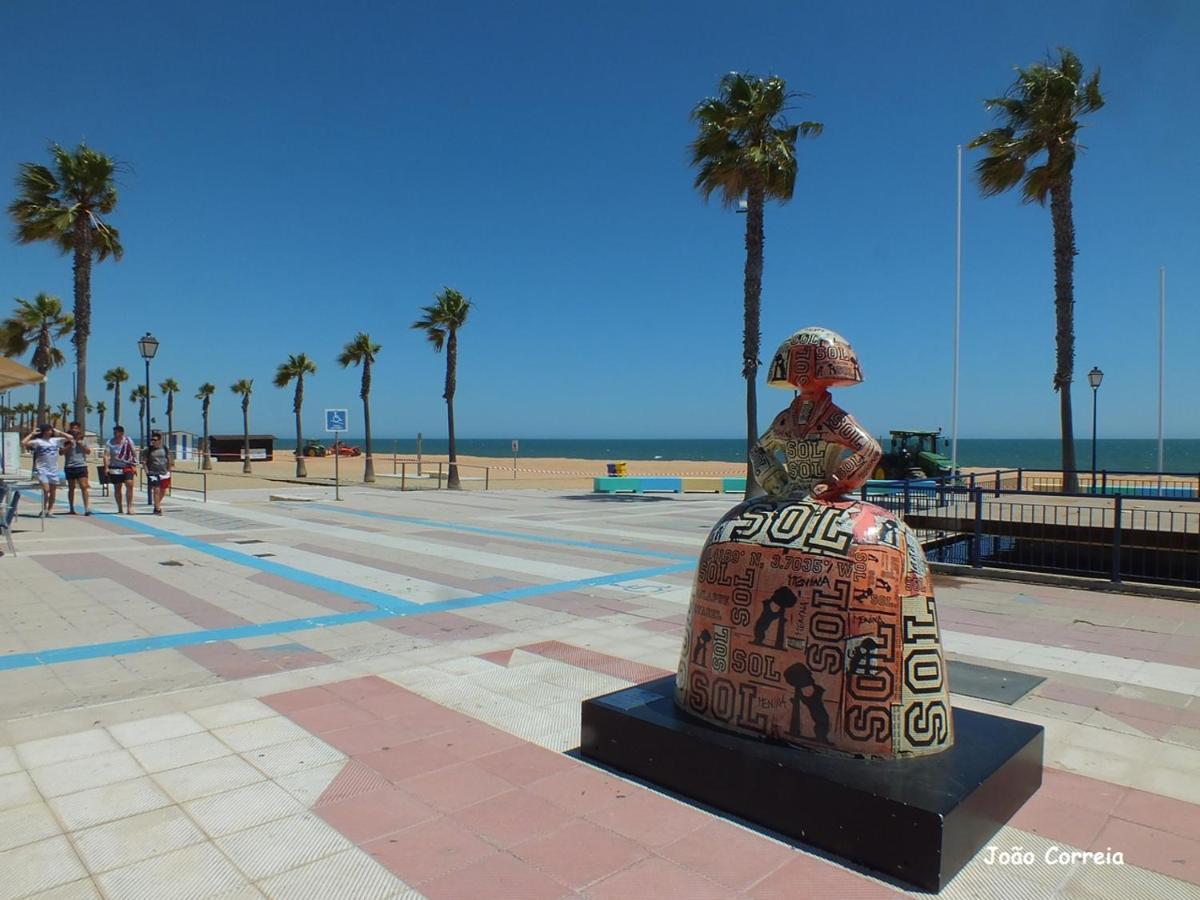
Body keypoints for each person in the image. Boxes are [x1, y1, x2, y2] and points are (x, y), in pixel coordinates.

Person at [21, 423, 73, 515]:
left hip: (53, 469)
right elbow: (23, 443)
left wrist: (60, 432)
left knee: (53, 491)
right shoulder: (38, 441)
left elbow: (71, 438)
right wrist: (32, 434)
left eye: (51, 430)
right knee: (46, 489)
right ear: (44, 431)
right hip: (42, 469)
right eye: (49, 430)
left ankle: (50, 510)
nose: (50, 431)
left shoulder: (55, 441)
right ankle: (44, 508)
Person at [105, 425, 138, 514]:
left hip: (127, 466)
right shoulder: (110, 442)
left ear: (122, 433)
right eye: (114, 432)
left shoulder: (128, 440)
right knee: (117, 487)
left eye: (117, 432)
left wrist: (134, 465)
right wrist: (106, 468)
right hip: (115, 466)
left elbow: (133, 452)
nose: (115, 434)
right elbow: (106, 455)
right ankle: (120, 507)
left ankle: (129, 507)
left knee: (129, 484)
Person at [63, 421, 93, 516]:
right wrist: (69, 445)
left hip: (81, 465)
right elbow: (61, 452)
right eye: (72, 428)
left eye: (76, 428)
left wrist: (80, 444)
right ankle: (71, 508)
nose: (74, 430)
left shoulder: (83, 439)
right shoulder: (66, 440)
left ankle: (86, 508)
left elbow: (88, 452)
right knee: (71, 488)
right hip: (69, 466)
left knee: (84, 486)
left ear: (79, 429)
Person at [141, 430, 172, 515]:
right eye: (152, 440)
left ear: (159, 440)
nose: (153, 441)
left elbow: (169, 458)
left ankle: (156, 505)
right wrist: (147, 472)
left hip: (164, 472)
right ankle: (158, 509)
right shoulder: (148, 450)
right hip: (153, 472)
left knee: (163, 491)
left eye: (155, 440)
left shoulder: (165, 448)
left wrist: (169, 469)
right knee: (156, 490)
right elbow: (144, 462)